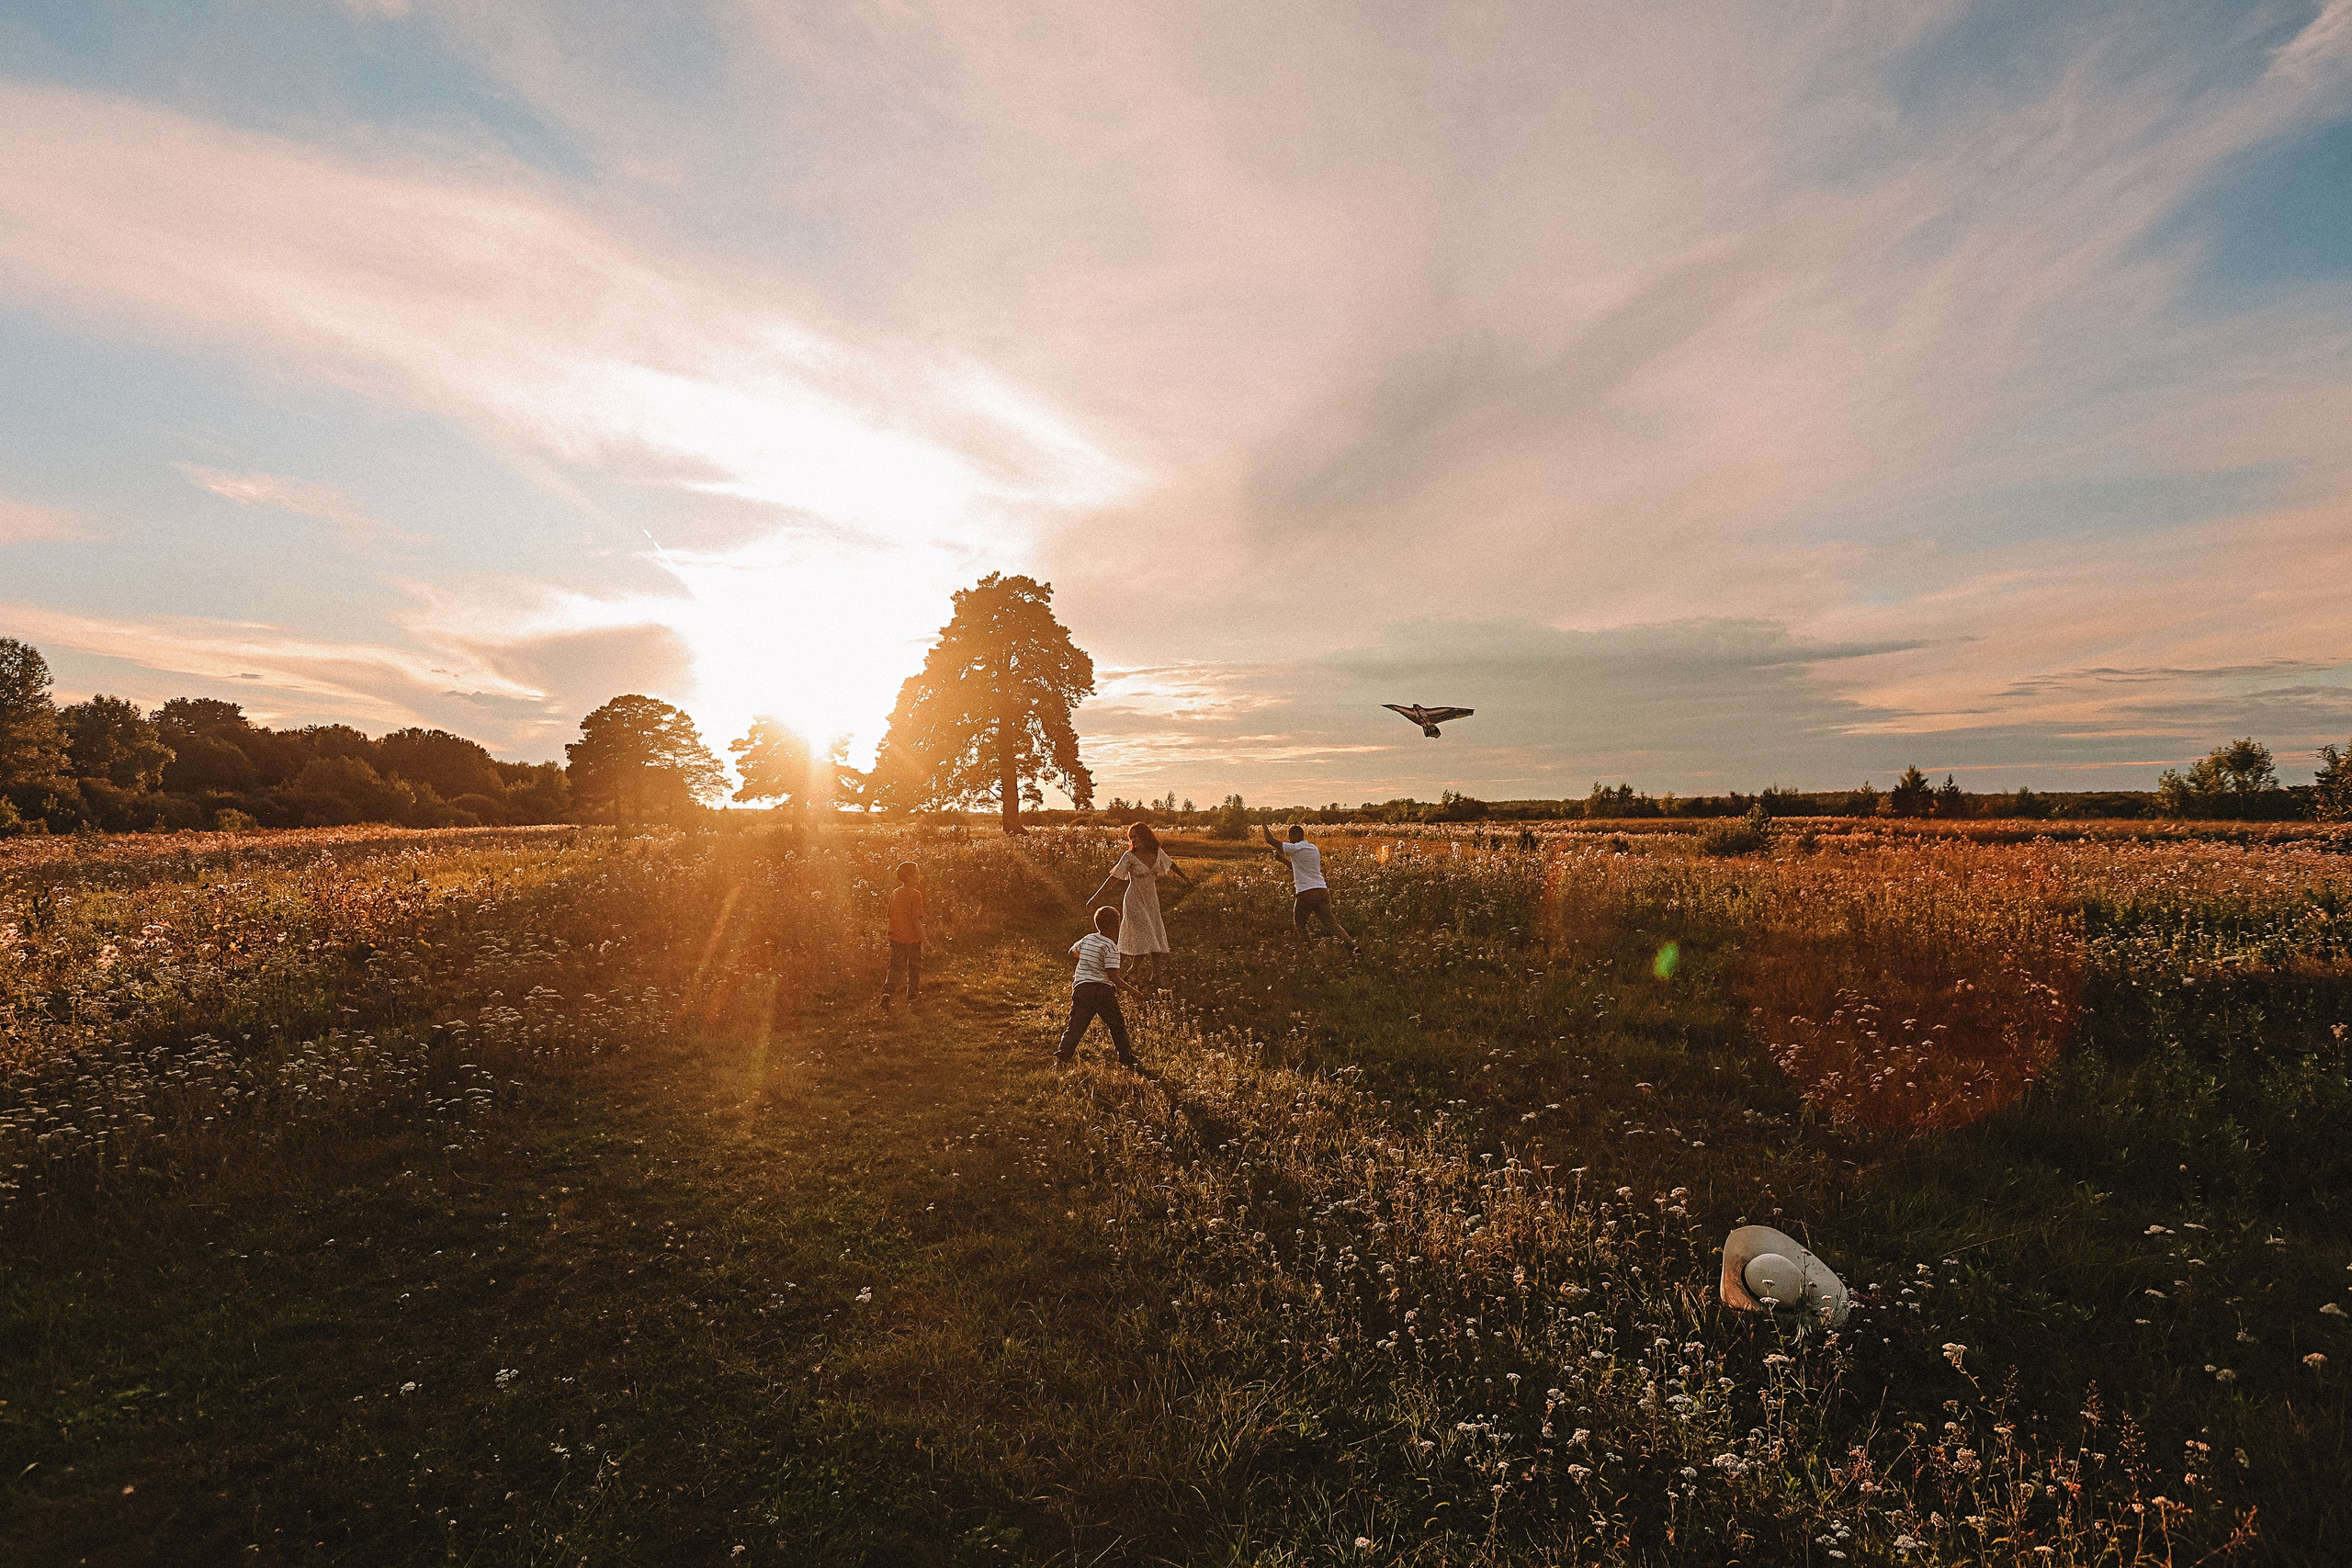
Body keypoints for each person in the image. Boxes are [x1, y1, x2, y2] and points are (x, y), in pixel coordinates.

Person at [1082, 821, 1194, 987]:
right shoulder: (1129, 856)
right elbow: (1113, 879)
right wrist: (1095, 897)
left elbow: (1171, 865)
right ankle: (1133, 970)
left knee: (1156, 932)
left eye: (1136, 836)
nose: (1134, 840)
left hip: (1151, 899)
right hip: (1134, 899)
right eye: (1131, 838)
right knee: (1145, 931)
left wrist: (1187, 880)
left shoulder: (1156, 852)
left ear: (1145, 835)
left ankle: (1156, 976)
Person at [1057, 906, 1141, 1067]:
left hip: (1082, 990)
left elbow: (1071, 952)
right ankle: (1126, 1057)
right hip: (1103, 992)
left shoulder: (1088, 939)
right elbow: (1112, 976)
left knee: (1075, 1027)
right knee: (1117, 1025)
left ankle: (1062, 1058)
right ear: (1116, 927)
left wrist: (1087, 957)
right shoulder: (1111, 947)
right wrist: (1132, 990)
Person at [1263, 822, 1351, 942]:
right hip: (1322, 890)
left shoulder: (1295, 848)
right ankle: (1352, 946)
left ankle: (1309, 951)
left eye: (1290, 837)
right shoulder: (1313, 848)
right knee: (1331, 923)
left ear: (1294, 835)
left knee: (1300, 923)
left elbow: (1270, 840)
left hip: (1306, 893)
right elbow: (1299, 867)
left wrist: (1264, 823)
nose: (1289, 840)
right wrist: (1284, 861)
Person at [880, 860, 922, 1010]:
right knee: (914, 966)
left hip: (896, 937)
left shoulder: (895, 893)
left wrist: (891, 933)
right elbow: (915, 920)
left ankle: (887, 993)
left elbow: (890, 915)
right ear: (910, 877)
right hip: (912, 939)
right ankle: (912, 993)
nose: (919, 877)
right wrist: (924, 940)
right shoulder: (916, 895)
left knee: (895, 967)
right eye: (917, 874)